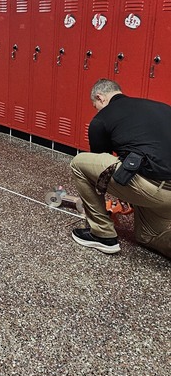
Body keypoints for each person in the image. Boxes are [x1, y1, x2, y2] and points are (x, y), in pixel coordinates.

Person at [70, 79, 171, 258]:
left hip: (152, 186)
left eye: (95, 105)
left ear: (100, 98)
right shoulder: (159, 107)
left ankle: (102, 235)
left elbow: (100, 169)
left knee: (79, 163)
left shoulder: (101, 119)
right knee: (148, 236)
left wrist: (120, 193)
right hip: (165, 193)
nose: (97, 110)